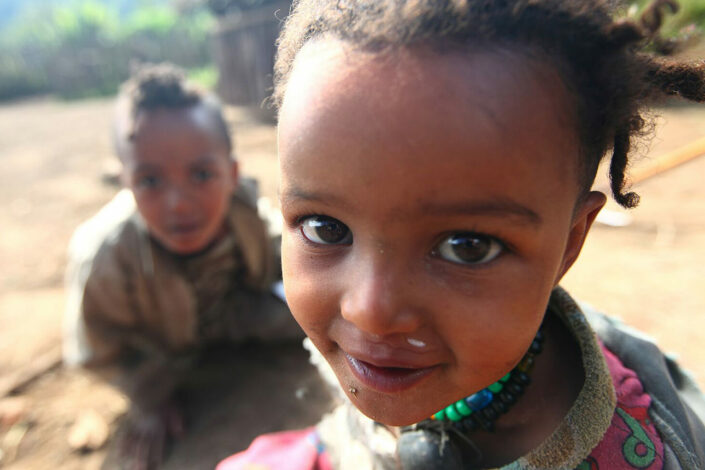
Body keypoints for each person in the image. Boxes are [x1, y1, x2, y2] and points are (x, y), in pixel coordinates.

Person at [218, 0, 705, 469]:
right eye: (326, 229)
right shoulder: (413, 360)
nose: (371, 311)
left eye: (467, 247)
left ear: (571, 242)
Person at [62, 63, 303, 469]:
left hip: (239, 318)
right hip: (162, 351)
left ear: (232, 174)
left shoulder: (246, 211)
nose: (179, 203)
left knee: (314, 317)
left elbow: (281, 256)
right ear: (126, 182)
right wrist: (147, 400)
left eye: (202, 174)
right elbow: (94, 350)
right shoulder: (104, 255)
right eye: (151, 181)